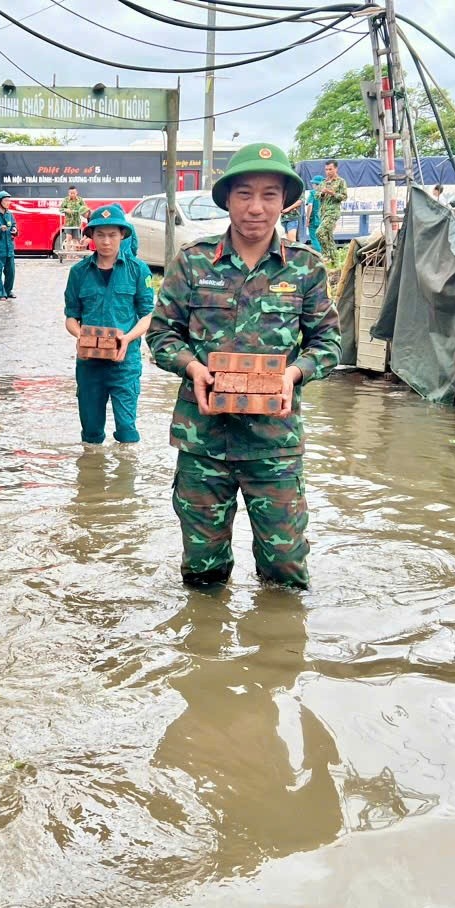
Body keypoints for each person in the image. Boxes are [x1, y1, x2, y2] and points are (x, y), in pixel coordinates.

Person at [145, 142, 341, 589]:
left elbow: (329, 342)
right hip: (203, 443)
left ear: (285, 202)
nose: (256, 207)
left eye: (270, 195)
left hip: (275, 446)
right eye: (245, 194)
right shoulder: (193, 262)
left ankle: (281, 652)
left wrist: (294, 373)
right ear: (227, 199)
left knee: (286, 568)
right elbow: (160, 335)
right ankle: (204, 654)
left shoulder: (307, 269)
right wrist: (192, 368)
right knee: (202, 570)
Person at [63, 203, 154, 445]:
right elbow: (71, 316)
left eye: (112, 234)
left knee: (127, 431)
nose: (106, 241)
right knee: (91, 434)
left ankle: (125, 479)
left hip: (125, 362)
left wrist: (127, 338)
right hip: (89, 364)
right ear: (91, 236)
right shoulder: (78, 272)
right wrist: (81, 335)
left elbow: (148, 315)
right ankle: (92, 475)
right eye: (100, 235)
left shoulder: (139, 270)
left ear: (123, 235)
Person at [315, 159, 347, 268]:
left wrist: (333, 193)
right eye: (326, 169)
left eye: (330, 169)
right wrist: (323, 194)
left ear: (336, 169)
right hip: (323, 212)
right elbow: (316, 195)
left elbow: (344, 197)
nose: (328, 171)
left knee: (319, 232)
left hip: (333, 212)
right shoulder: (323, 182)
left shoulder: (340, 181)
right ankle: (335, 262)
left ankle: (326, 255)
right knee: (328, 237)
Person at [306, 175, 324, 253]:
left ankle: (319, 255)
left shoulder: (313, 193)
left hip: (314, 219)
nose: (312, 185)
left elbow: (310, 206)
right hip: (323, 218)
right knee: (321, 238)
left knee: (314, 238)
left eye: (313, 183)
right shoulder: (325, 194)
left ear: (316, 184)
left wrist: (308, 219)